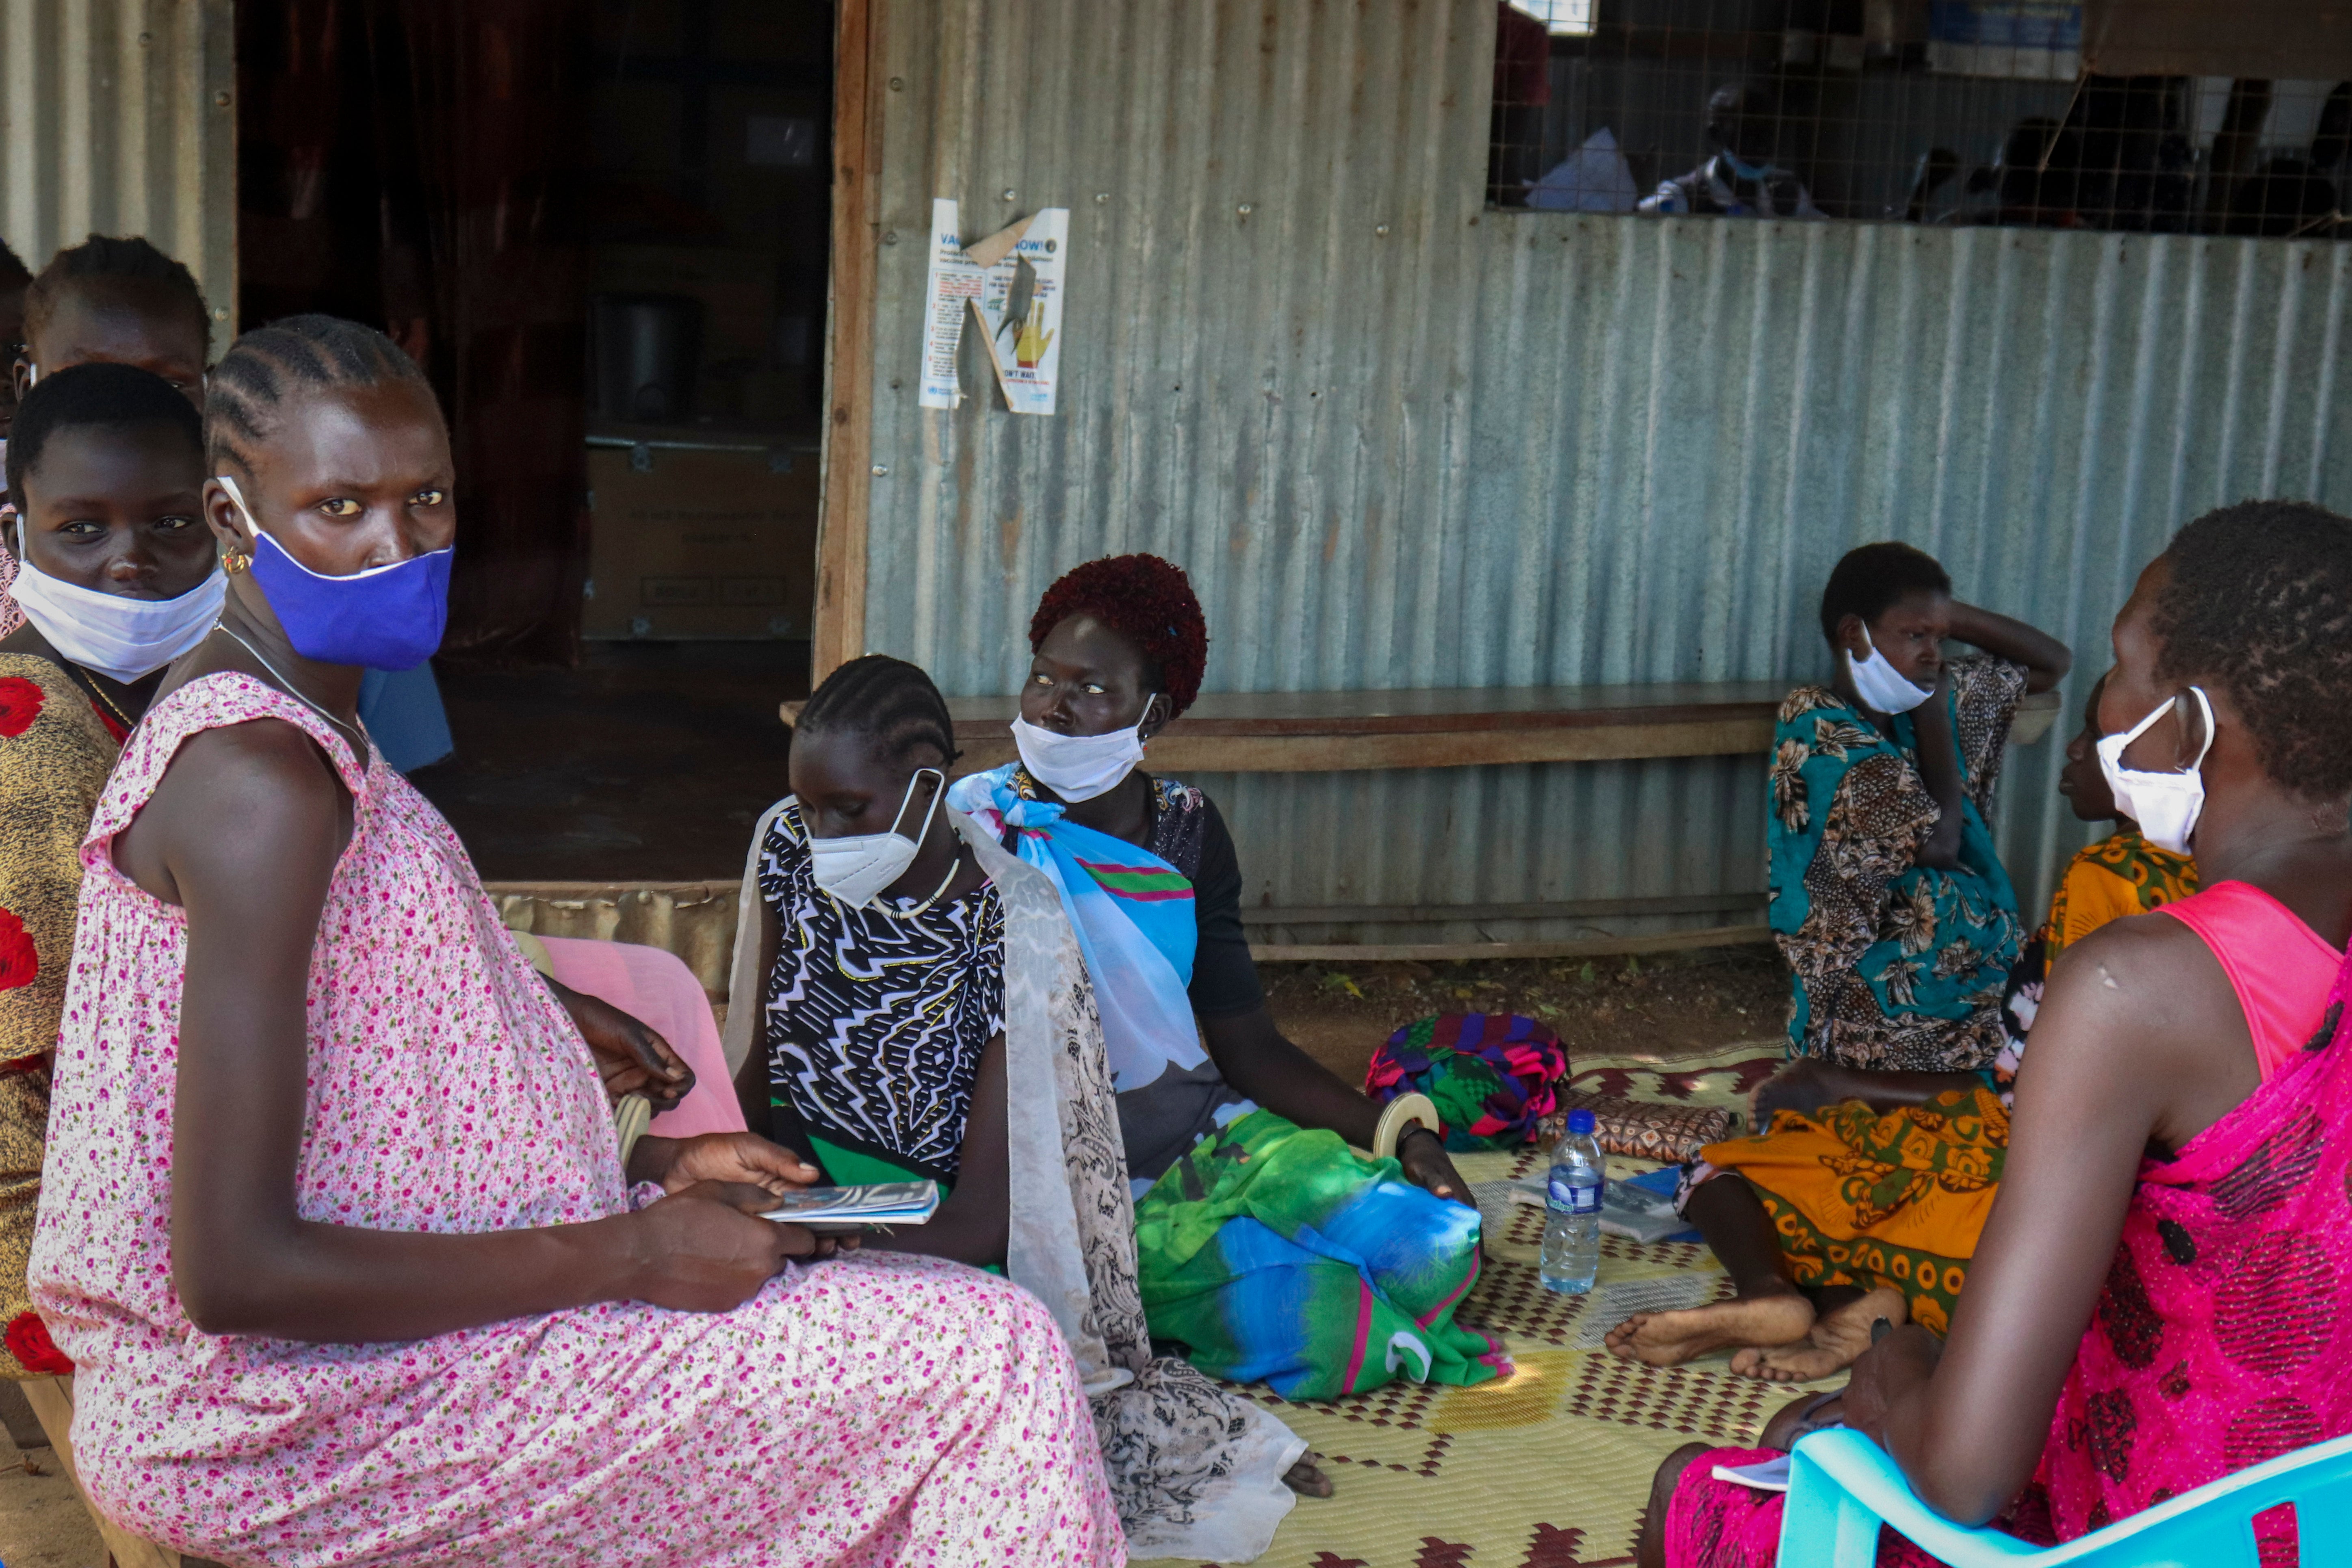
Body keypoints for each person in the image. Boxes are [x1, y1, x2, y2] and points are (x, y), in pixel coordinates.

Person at [28, 316, 1121, 1566]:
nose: (400, 544)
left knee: (908, 1323)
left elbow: (360, 1061)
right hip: (290, 1416)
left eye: (427, 496)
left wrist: (631, 1152)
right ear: (233, 517)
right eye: (339, 505)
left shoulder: (291, 726)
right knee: (992, 1359)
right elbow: (233, 1269)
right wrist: (631, 1246)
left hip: (367, 1357)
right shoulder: (261, 780)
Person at [1637, 498, 2352, 1568]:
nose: (2103, 704)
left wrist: (1889, 1387)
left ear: (2193, 722)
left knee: (1695, 1489)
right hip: (2324, 1497)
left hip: (2167, 1526)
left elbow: (1966, 1474)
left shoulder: (2139, 982)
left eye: (2124, 665)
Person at [727, 652, 1313, 1563]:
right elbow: (761, 1073)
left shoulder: (1012, 922)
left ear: (930, 785)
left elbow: (980, 1222)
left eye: (850, 810)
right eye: (809, 805)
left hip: (915, 1239)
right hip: (794, 1206)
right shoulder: (786, 847)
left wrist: (795, 1229)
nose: (825, 831)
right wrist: (738, 1198)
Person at [943, 555, 1501, 1411]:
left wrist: (1402, 1132)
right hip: (1058, 1179)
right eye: (1042, 677)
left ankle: (1224, 1264)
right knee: (1321, 1321)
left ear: (1152, 712)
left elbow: (1247, 1042)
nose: (1054, 706)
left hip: (1200, 1136)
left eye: (1091, 689)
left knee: (1438, 1241)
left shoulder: (1188, 831)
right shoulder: (970, 828)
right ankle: (1206, 1281)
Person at [1605, 541, 2068, 1377]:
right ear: (1854, 633)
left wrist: (1943, 625)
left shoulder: (1932, 697)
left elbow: (2051, 662)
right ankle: (1818, 1302)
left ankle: (1824, 1302)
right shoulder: (1817, 723)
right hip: (1868, 1035)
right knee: (1806, 1164)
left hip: (1971, 1037)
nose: (1932, 652)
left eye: (1940, 634)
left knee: (1825, 1174)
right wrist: (1932, 707)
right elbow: (1939, 835)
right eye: (1911, 633)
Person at [11, 234, 455, 771]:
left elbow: (405, 800)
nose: (129, 409)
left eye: (168, 384)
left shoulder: (328, 572)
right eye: (84, 380)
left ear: (209, 392)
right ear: (25, 385)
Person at [0, 362, 224, 1384]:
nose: (128, 562)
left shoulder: (209, 680)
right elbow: (42, 1078)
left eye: (172, 525)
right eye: (81, 530)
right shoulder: (28, 733)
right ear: (21, 534)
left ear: (222, 517)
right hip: (51, 1215)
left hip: (166, 1147)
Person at [1991, 674, 2198, 1091]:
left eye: (2098, 733)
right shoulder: (2220, 861)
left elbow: (2070, 1055)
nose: (2074, 748)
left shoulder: (2104, 872)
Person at [1637, 82, 1824, 219]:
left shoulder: (1788, 191)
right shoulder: (1682, 198)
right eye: (1747, 128)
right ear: (1716, 134)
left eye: (1769, 128)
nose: (1762, 141)